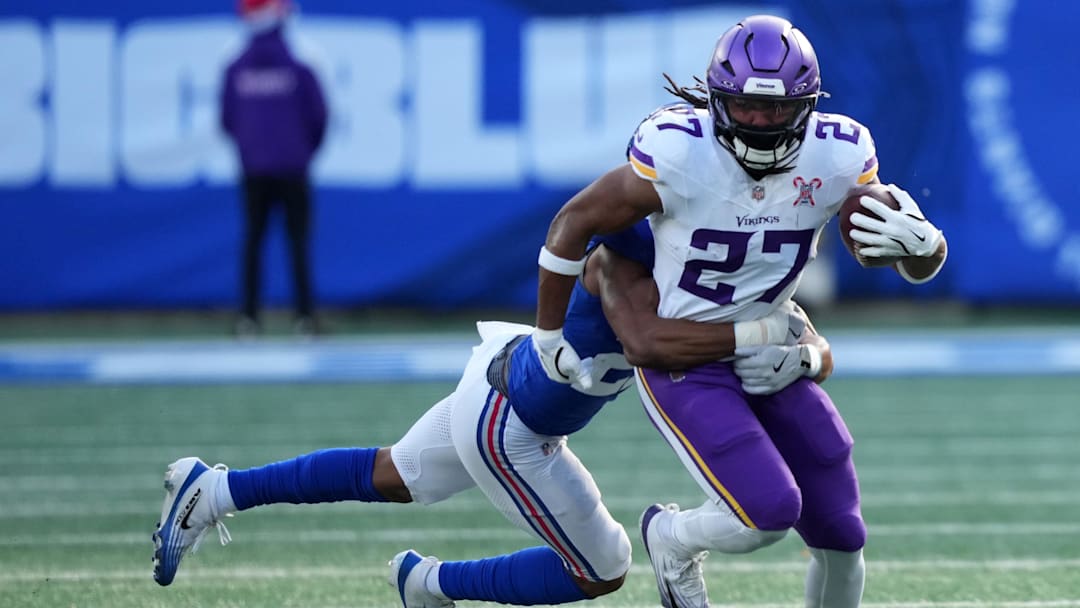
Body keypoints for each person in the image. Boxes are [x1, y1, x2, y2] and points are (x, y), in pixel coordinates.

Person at [151, 221, 834, 608]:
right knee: (602, 567)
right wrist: (759, 335)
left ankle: (217, 490)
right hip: (512, 422)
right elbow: (648, 341)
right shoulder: (630, 255)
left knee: (393, 473)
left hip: (505, 379)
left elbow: (800, 329)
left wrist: (807, 354)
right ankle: (431, 583)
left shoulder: (717, 255)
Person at [532, 14, 948, 608]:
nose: (760, 122)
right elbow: (574, 222)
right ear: (717, 100)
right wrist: (547, 334)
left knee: (843, 534)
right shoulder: (678, 151)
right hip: (688, 357)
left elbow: (896, 256)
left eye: (777, 109)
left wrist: (928, 247)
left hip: (773, 354)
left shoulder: (837, 154)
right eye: (746, 107)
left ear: (807, 106)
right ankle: (671, 536)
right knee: (765, 511)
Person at [221, 0, 328, 337]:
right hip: (293, 168)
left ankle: (248, 319)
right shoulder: (303, 56)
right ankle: (305, 318)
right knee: (297, 242)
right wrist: (301, 152)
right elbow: (318, 115)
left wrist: (252, 151)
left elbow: (228, 119)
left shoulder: (236, 61)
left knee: (254, 241)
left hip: (254, 169)